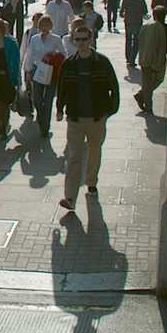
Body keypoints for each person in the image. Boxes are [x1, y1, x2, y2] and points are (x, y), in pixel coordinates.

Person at [55, 26, 120, 210]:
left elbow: (113, 87)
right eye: (78, 39)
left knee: (94, 152)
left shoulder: (102, 62)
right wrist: (59, 108)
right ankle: (70, 198)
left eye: (84, 39)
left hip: (96, 117)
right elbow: (62, 88)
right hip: (75, 118)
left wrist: (110, 111)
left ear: (90, 40)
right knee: (74, 157)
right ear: (73, 41)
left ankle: (91, 182)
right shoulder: (69, 64)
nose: (81, 43)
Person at [24, 15, 66, 137]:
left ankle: (45, 127)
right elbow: (30, 54)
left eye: (47, 25)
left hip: (51, 71)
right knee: (37, 98)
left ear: (51, 26)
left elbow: (64, 54)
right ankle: (41, 116)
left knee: (48, 100)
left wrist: (53, 54)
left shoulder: (56, 38)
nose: (44, 27)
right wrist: (27, 71)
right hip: (38, 70)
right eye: (42, 25)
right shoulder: (35, 38)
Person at [135, 6, 167, 116]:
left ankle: (142, 94)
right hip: (157, 59)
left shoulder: (146, 26)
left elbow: (139, 40)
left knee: (148, 83)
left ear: (154, 15)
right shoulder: (166, 28)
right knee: (156, 81)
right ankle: (147, 105)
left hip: (145, 58)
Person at [19, 12, 42, 118]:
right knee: (29, 86)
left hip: (40, 65)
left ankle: (38, 106)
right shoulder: (28, 32)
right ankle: (30, 106)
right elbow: (24, 47)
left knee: (37, 88)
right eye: (36, 20)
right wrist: (20, 61)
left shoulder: (44, 33)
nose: (37, 22)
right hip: (28, 63)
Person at [120, 0, 148, 67]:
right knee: (136, 41)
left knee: (128, 40)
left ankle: (128, 58)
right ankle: (132, 59)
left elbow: (121, 12)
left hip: (128, 21)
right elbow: (145, 12)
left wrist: (124, 14)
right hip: (137, 22)